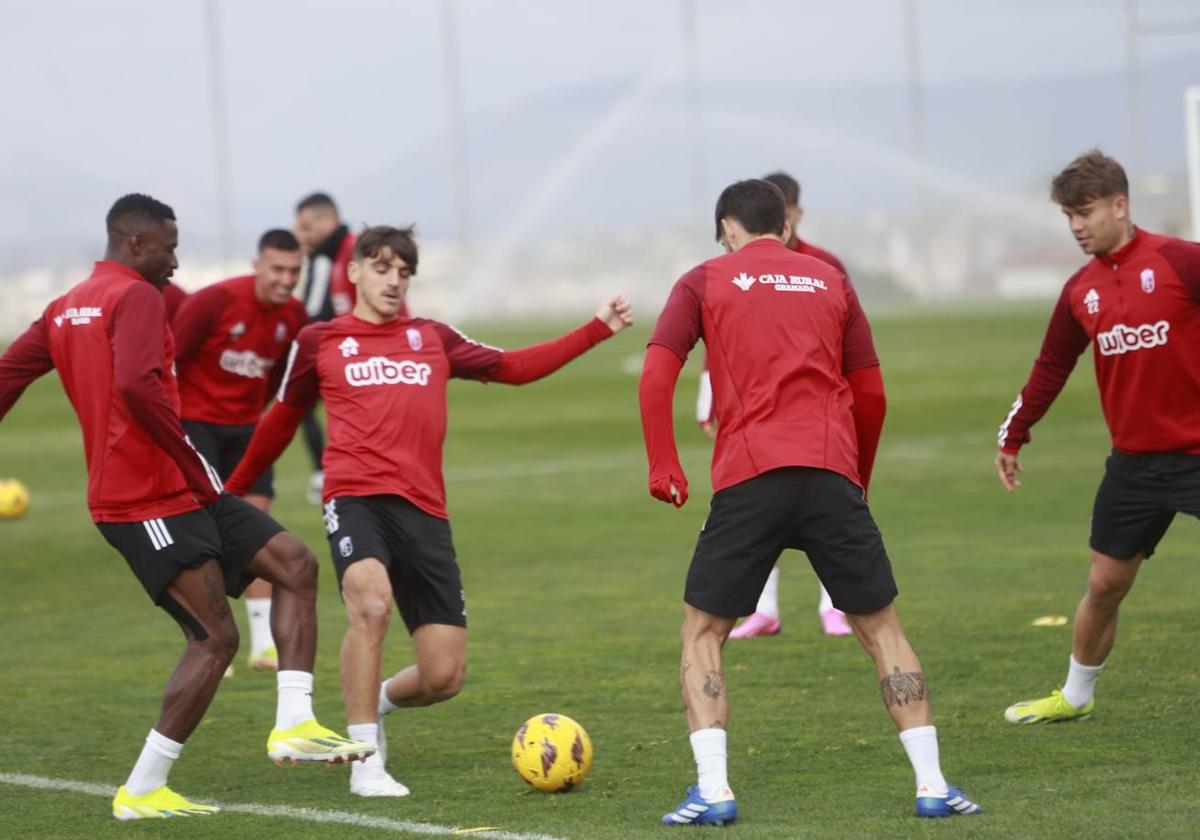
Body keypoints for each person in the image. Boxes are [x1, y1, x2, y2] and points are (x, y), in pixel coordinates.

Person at [226, 225, 633, 797]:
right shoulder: (321, 340)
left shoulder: (431, 337)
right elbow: (280, 420)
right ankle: (365, 761)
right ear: (356, 272)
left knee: (443, 676)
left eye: (404, 272)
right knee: (370, 605)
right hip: (355, 499)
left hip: (424, 512)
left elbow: (514, 367)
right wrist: (233, 490)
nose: (394, 281)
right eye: (383, 268)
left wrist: (597, 329)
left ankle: (379, 702)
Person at [0, 194, 370, 821]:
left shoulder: (65, 308)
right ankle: (142, 789)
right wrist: (193, 457)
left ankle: (295, 722)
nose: (176, 259)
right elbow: (135, 386)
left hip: (178, 490)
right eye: (170, 246)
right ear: (138, 244)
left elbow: (7, 377)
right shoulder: (136, 296)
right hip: (140, 499)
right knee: (213, 638)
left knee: (294, 564)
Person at [640, 179, 979, 825]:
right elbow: (872, 396)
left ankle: (713, 790)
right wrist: (859, 478)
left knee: (704, 630)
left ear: (729, 229)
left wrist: (664, 463)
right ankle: (933, 784)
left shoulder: (704, 279)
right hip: (829, 473)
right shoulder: (829, 278)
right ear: (785, 225)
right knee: (881, 628)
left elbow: (658, 373)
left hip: (749, 474)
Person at [996, 149, 1200, 724]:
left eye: (1085, 212)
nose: (1077, 227)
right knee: (1106, 583)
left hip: (1197, 453)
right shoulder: (1079, 290)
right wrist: (1014, 436)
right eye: (1068, 217)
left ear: (1120, 204)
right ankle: (1075, 697)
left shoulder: (1182, 262)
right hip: (1133, 466)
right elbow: (1050, 368)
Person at [699, 171, 884, 640]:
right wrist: (710, 397)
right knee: (770, 515)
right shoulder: (733, 271)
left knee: (823, 519)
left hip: (821, 419)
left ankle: (835, 607)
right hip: (761, 417)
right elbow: (721, 335)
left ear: (795, 214)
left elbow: (854, 350)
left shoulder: (825, 266)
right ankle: (764, 609)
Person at [173, 229, 309, 672]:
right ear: (257, 264)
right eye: (277, 269)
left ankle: (263, 644)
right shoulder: (213, 302)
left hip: (247, 429)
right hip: (196, 427)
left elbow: (282, 377)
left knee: (258, 523)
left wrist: (257, 411)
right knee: (205, 534)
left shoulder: (295, 315)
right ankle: (209, 637)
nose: (286, 279)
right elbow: (169, 359)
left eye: (294, 271)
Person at [293, 193, 392, 504]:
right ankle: (334, 477)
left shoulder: (355, 253)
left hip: (369, 362)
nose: (302, 236)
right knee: (300, 403)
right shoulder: (333, 257)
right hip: (351, 359)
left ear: (328, 221)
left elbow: (387, 310)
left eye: (306, 227)